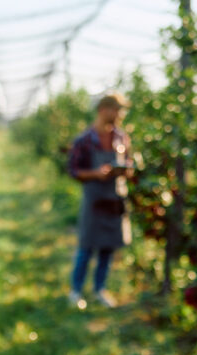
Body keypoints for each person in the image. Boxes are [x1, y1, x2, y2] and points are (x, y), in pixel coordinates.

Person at [66, 92, 134, 310]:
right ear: (104, 110)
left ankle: (99, 289)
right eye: (117, 110)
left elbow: (131, 162)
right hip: (95, 199)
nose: (120, 115)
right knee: (86, 246)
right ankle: (76, 291)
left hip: (115, 198)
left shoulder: (122, 138)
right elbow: (74, 170)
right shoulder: (85, 140)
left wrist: (127, 171)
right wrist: (96, 174)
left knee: (108, 247)